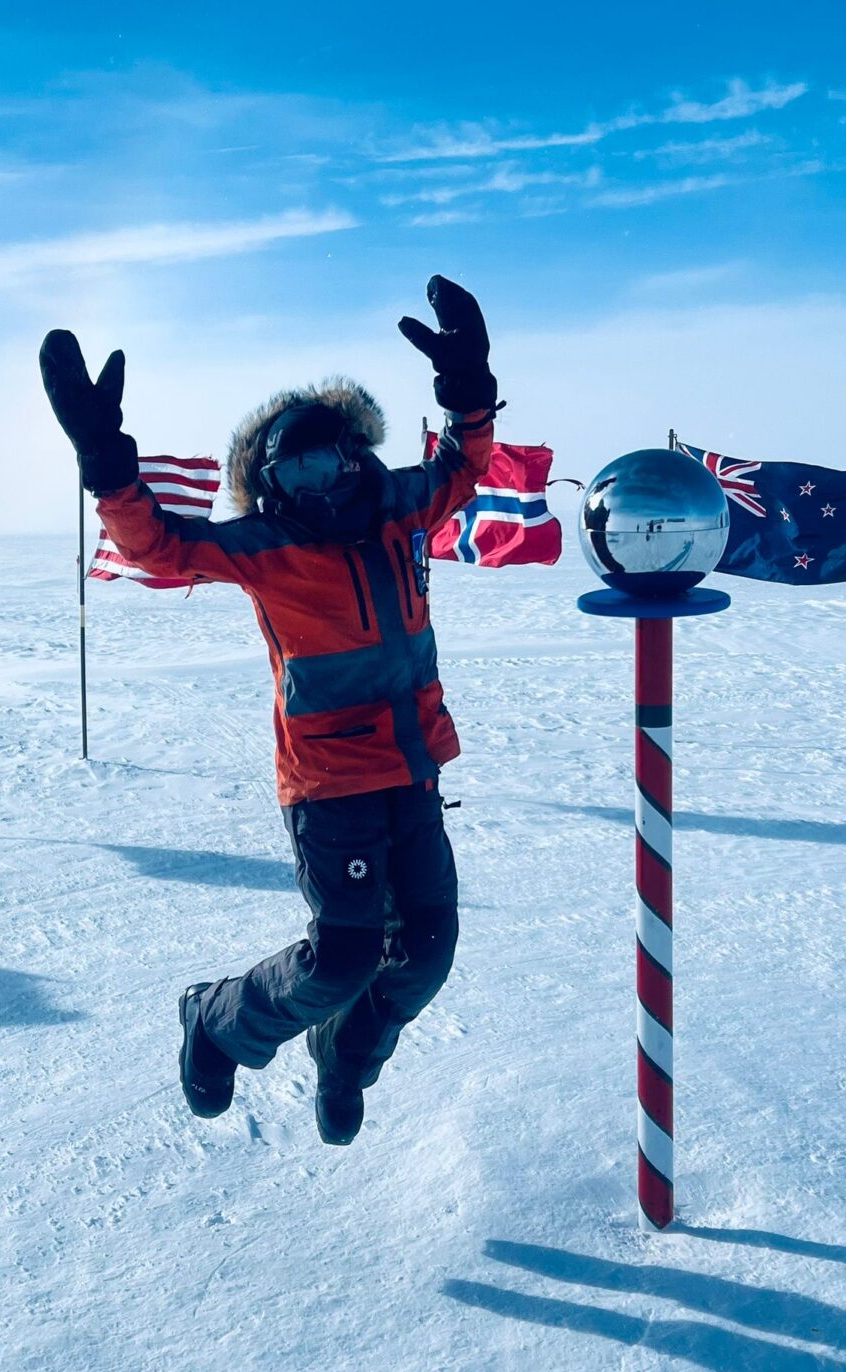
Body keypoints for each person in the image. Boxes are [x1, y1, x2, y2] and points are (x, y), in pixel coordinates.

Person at [39, 275, 497, 1144]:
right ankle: (215, 1021)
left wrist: (468, 387)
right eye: (301, 468)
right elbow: (161, 548)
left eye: (337, 458)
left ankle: (347, 1054)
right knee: (344, 956)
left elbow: (463, 469)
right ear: (273, 484)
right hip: (329, 784)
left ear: (359, 454)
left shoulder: (397, 510)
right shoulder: (267, 546)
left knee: (426, 954)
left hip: (412, 767)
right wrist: (106, 462)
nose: (328, 480)